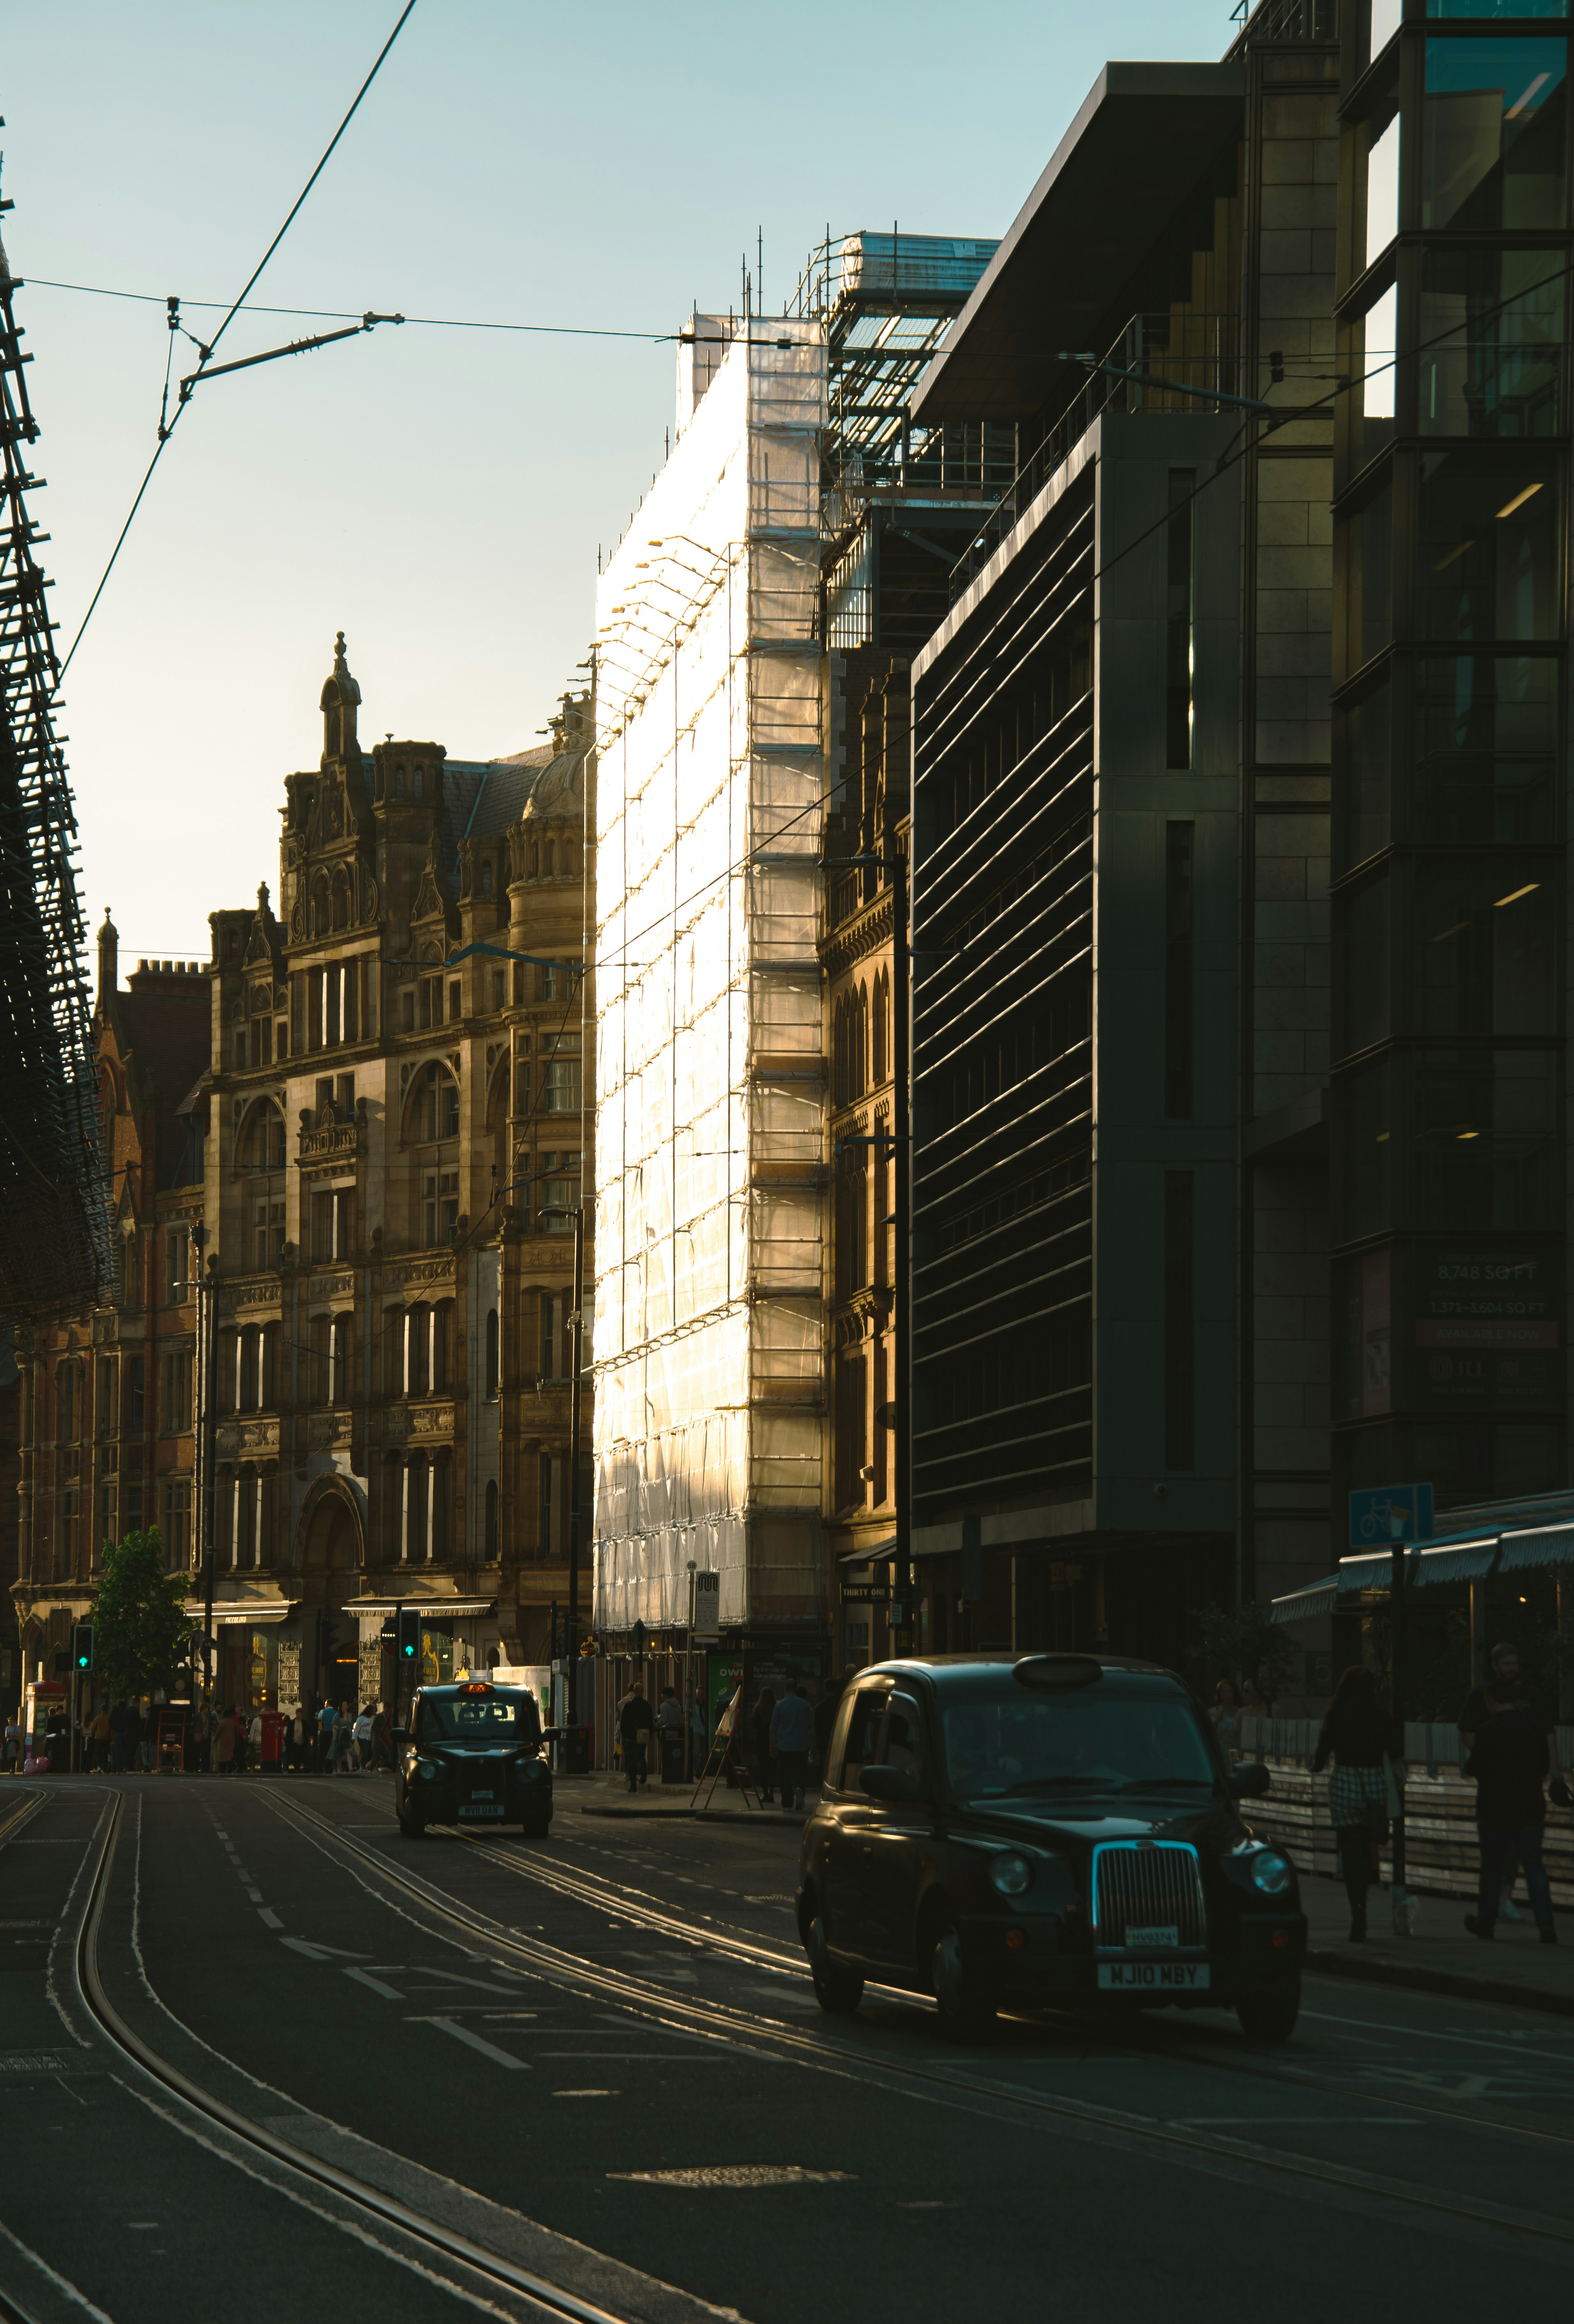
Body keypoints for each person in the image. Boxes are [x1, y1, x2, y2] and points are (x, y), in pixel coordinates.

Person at [1461, 1653, 1569, 1944]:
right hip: (1529, 1809)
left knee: (1492, 1867)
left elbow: (1471, 1768)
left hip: (1494, 1810)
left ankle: (1486, 1924)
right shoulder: (1533, 1729)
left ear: (1491, 1701)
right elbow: (1541, 1766)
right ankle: (1546, 1925)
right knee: (1534, 1866)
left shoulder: (1487, 1731)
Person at [1313, 1665, 1398, 1943]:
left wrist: (1314, 1765)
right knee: (1366, 1845)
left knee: (1349, 1852)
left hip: (1345, 1782)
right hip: (1373, 1783)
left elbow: (1320, 1757)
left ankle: (1357, 1913)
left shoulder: (1336, 1716)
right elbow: (1395, 1750)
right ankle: (1367, 1889)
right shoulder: (1381, 1718)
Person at [770, 1680, 815, 1812]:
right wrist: (812, 1744)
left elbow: (773, 1728)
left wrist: (772, 1746)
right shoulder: (805, 1705)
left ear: (785, 1689)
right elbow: (811, 1727)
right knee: (800, 1772)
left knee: (785, 1775)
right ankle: (799, 1788)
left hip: (784, 1746)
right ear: (796, 1689)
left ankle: (787, 1803)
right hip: (801, 1746)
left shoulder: (780, 1706)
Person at [618, 1683, 653, 1793]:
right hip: (643, 1736)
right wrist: (649, 1734)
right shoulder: (647, 1705)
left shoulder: (628, 1705)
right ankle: (644, 1771)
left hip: (630, 1737)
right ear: (642, 1691)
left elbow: (623, 1722)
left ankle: (633, 1785)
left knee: (632, 1761)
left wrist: (625, 1735)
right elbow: (651, 1721)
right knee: (641, 1755)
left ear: (633, 1691)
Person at [750, 1685, 778, 1803]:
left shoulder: (757, 1708)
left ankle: (765, 1793)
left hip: (761, 1739)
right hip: (773, 1739)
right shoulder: (776, 1708)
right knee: (773, 1766)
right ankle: (772, 1791)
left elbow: (754, 1725)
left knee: (763, 1767)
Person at [654, 1686, 684, 1784]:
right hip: (677, 1733)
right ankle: (676, 1774)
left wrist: (655, 1725)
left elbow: (664, 1721)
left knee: (666, 1756)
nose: (661, 1695)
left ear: (666, 1695)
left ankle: (667, 1775)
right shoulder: (679, 1705)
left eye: (662, 1694)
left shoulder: (664, 1706)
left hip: (667, 1734)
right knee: (676, 1756)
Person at [1210, 1678, 1242, 1764]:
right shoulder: (1214, 1712)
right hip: (1218, 1755)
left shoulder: (1240, 1713)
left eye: (1230, 1691)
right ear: (1220, 1694)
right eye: (1224, 1692)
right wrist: (1215, 1719)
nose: (1227, 1695)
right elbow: (1206, 1731)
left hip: (1235, 1753)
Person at [86, 1705, 112, 1773]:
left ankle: (99, 1766)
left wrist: (92, 1735)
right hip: (107, 1738)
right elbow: (112, 1729)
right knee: (106, 1753)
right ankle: (106, 1767)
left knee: (99, 1753)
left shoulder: (97, 1718)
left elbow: (93, 1728)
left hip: (98, 1738)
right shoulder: (109, 1718)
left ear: (101, 1710)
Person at [213, 1706, 238, 1775]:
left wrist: (214, 1741)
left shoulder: (223, 1722)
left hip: (224, 1742)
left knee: (223, 1757)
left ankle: (222, 1770)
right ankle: (231, 1768)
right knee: (230, 1757)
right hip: (232, 1741)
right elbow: (237, 1731)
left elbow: (218, 1733)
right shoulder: (233, 1722)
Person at [316, 1696, 338, 1774]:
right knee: (330, 1750)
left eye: (326, 1704)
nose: (325, 1705)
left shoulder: (323, 1711)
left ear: (328, 1704)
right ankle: (329, 1768)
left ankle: (320, 1767)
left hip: (323, 1732)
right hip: (331, 1733)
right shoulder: (336, 1713)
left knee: (322, 1750)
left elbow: (318, 1719)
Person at [353, 1702, 373, 1773]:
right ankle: (363, 1766)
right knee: (365, 1752)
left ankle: (364, 1764)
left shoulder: (373, 1718)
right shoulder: (361, 1718)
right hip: (362, 1737)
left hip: (369, 1738)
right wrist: (353, 1738)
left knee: (370, 1752)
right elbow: (357, 1729)